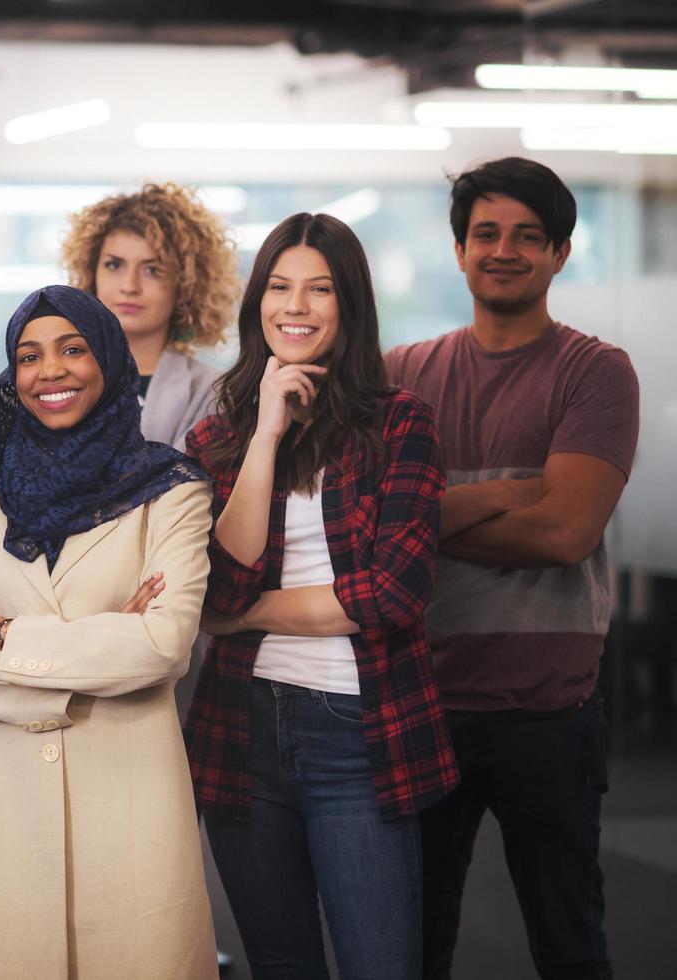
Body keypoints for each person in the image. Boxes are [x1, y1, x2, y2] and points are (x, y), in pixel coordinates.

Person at [0, 284, 218, 979]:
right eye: (28, 356)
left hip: (132, 814)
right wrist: (103, 641)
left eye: (73, 349)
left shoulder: (172, 491)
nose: (50, 370)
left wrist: (2, 632)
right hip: (8, 821)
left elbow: (163, 644)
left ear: (108, 360)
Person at [183, 213, 457, 980]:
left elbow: (388, 596)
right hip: (240, 727)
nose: (294, 305)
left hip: (357, 731)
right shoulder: (216, 440)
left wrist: (248, 616)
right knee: (281, 965)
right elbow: (221, 584)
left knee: (380, 964)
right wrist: (266, 434)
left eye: (319, 288)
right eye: (278, 286)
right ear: (256, 302)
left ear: (349, 306)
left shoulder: (401, 424)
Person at [386, 157, 638, 980]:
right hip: (419, 700)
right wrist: (513, 491)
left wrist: (421, 523)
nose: (504, 250)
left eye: (529, 237)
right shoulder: (400, 377)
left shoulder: (594, 372)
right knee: (413, 942)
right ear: (458, 250)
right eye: (486, 233)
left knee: (568, 942)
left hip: (548, 711)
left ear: (560, 253)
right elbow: (369, 528)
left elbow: (567, 532)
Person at [62, 181, 238, 448]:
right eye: (114, 265)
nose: (129, 286)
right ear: (91, 273)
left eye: (152, 270)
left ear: (186, 284)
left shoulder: (216, 392)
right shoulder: (56, 375)